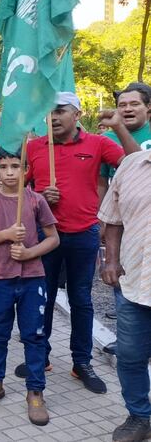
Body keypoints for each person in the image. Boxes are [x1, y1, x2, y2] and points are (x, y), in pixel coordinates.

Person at [14, 92, 140, 393]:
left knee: (80, 300)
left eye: (61, 111)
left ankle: (81, 362)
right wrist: (39, 198)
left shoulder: (98, 144)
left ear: (78, 114)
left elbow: (137, 164)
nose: (54, 117)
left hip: (84, 234)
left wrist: (119, 127)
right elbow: (18, 190)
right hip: (45, 236)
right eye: (49, 111)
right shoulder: (33, 147)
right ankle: (40, 356)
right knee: (40, 298)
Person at [0, 148, 59, 426]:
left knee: (34, 335)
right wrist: (6, 235)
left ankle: (35, 392)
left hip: (33, 278)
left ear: (25, 170)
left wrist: (31, 253)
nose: (10, 172)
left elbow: (53, 238)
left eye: (15, 166)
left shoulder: (35, 201)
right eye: (4, 167)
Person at [98, 148, 151, 442]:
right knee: (130, 357)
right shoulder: (131, 165)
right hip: (133, 284)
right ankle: (139, 416)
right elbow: (113, 220)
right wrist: (111, 261)